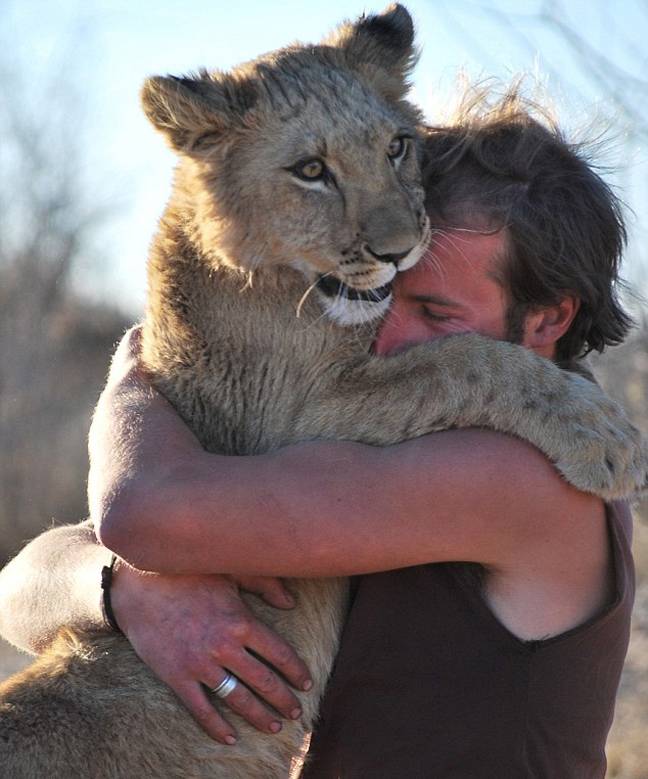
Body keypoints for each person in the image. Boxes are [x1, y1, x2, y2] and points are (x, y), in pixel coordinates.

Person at [0, 86, 636, 777]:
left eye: (434, 311)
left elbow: (141, 511)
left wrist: (139, 367)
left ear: (547, 320)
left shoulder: (517, 474)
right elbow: (17, 590)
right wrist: (121, 590)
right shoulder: (385, 428)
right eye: (377, 292)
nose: (384, 333)